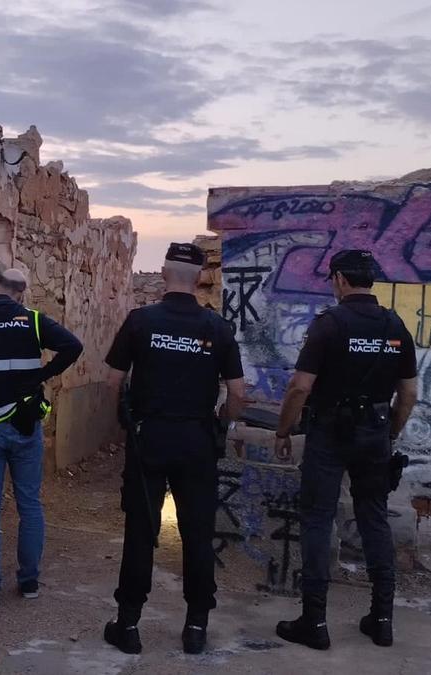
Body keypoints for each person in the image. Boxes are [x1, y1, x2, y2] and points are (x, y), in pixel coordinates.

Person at [102, 243, 245, 655]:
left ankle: (128, 625)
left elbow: (113, 381)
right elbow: (237, 392)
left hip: (150, 438)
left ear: (163, 274)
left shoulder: (141, 320)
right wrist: (222, 425)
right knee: (198, 534)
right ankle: (196, 627)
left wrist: (125, 420)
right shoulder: (216, 328)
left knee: (140, 532)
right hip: (197, 440)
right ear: (199, 278)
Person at [272, 249, 419, 650]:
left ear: (339, 279)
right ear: (370, 280)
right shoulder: (395, 325)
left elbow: (300, 386)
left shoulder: (330, 325)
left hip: (330, 433)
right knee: (374, 518)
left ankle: (314, 623)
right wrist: (390, 431)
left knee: (318, 520)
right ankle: (383, 619)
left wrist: (284, 430)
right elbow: (408, 393)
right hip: (375, 431)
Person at [0, 268, 83, 609]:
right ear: (21, 292)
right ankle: (29, 582)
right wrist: (43, 374)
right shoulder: (33, 320)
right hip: (26, 425)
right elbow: (73, 345)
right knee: (30, 504)